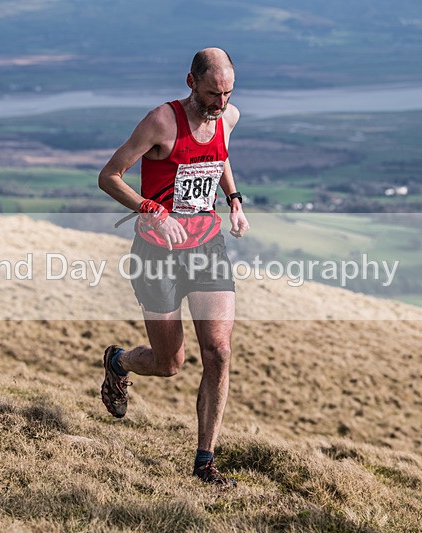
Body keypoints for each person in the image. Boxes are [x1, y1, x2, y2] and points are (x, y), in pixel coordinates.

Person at [98, 48, 249, 486]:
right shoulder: (161, 122)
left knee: (218, 351)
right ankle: (119, 362)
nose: (220, 104)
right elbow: (109, 176)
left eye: (227, 93)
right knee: (169, 364)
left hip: (206, 250)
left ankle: (205, 462)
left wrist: (234, 201)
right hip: (156, 256)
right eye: (211, 93)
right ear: (190, 82)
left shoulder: (229, 116)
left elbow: (218, 158)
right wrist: (152, 211)